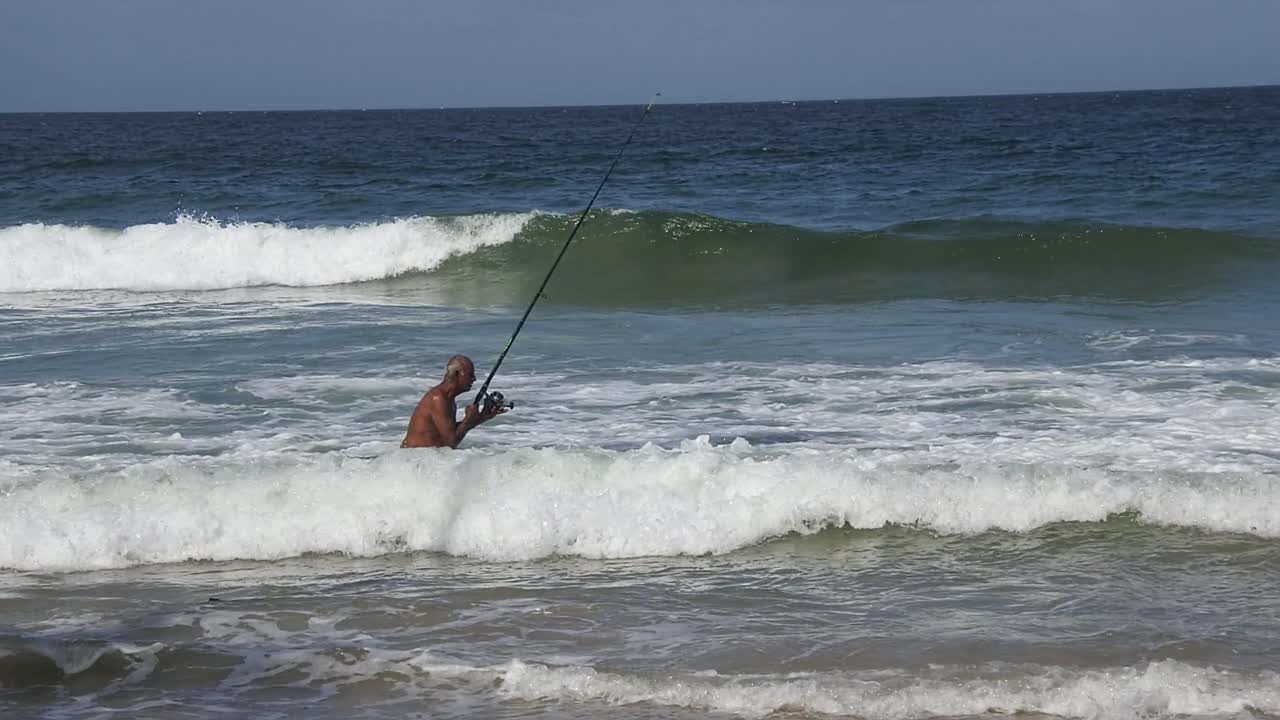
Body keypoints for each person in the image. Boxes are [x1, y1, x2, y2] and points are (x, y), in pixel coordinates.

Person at [400, 355, 509, 449]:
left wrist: (484, 416)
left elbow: (449, 432)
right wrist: (468, 420)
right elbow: (450, 443)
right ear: (457, 374)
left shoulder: (448, 399)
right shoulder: (438, 399)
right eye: (470, 375)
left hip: (427, 459)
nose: (474, 379)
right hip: (414, 459)